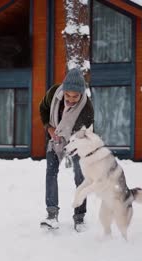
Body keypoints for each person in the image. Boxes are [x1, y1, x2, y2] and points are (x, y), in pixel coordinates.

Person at [39, 68, 94, 231]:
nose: (70, 99)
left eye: (75, 96)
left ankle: (79, 217)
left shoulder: (87, 109)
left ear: (81, 94)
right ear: (63, 90)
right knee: (51, 172)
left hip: (78, 141)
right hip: (55, 138)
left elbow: (84, 135)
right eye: (67, 95)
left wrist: (69, 141)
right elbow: (43, 108)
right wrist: (49, 128)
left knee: (80, 176)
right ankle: (51, 214)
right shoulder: (54, 93)